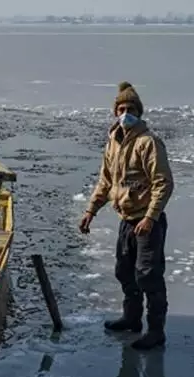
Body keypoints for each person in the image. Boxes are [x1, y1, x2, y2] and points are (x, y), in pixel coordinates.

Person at [79, 81, 174, 351]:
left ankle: (156, 331)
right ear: (114, 112)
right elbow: (105, 182)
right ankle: (132, 319)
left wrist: (151, 217)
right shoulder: (113, 143)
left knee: (148, 276)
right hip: (127, 219)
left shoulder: (149, 143)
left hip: (147, 221)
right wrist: (90, 211)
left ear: (139, 112)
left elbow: (163, 183)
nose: (125, 113)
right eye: (121, 108)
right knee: (125, 271)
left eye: (131, 108)